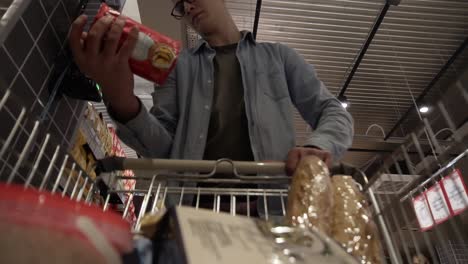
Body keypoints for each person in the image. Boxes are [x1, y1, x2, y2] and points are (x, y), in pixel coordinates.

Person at [69, 0, 353, 215]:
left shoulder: (279, 58)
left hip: (274, 211)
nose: (188, 6)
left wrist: (317, 147)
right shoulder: (177, 67)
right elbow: (165, 149)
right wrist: (121, 98)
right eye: (181, 5)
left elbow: (332, 111)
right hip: (195, 213)